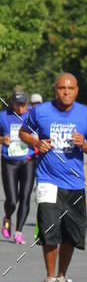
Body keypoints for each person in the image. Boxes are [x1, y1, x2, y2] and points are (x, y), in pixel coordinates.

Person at [20, 72, 87, 282]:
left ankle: (62, 278)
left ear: (76, 91)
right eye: (62, 88)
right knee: (49, 232)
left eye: (71, 88)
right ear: (55, 89)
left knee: (70, 235)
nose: (66, 92)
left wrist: (83, 144)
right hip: (48, 180)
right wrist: (36, 142)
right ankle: (49, 278)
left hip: (74, 183)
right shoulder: (41, 111)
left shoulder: (85, 114)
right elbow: (23, 132)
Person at [0, 86, 36, 245]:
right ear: (12, 103)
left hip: (28, 160)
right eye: (17, 104)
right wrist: (2, 140)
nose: (21, 108)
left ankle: (19, 232)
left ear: (27, 103)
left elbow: (42, 133)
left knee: (25, 197)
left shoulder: (33, 115)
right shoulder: (3, 116)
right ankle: (7, 218)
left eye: (23, 104)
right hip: (9, 161)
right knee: (12, 200)